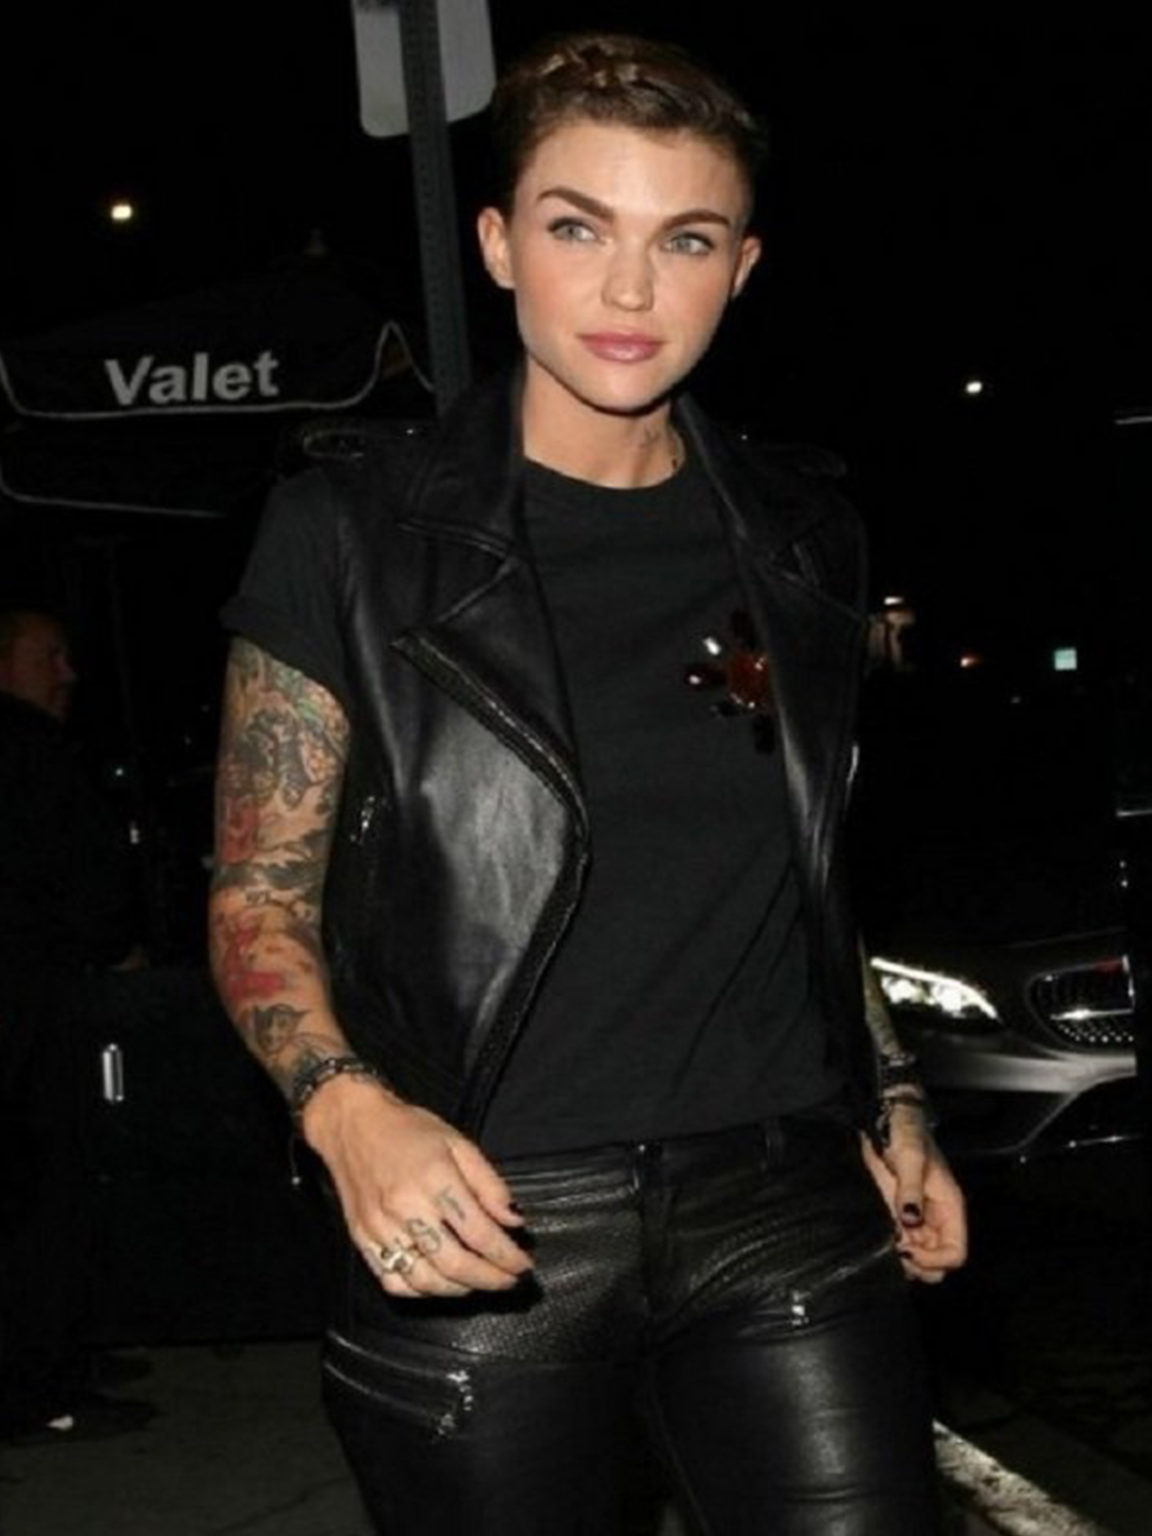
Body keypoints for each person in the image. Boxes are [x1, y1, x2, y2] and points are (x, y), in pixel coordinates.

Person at [210, 32, 966, 1534]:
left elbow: (805, 869)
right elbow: (256, 894)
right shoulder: (351, 533)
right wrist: (348, 1113)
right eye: (579, 228)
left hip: (783, 1204)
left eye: (683, 240)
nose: (629, 291)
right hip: (488, 1215)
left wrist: (894, 1099)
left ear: (740, 269)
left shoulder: (803, 536)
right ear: (499, 246)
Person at [0, 607, 153, 1442]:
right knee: (38, 1191)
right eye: (48, 655)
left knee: (42, 1188)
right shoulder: (26, 746)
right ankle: (40, 1386)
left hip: (32, 989)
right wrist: (113, 941)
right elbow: (76, 870)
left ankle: (55, 1358)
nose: (67, 673)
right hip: (28, 1001)